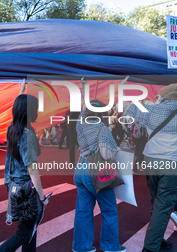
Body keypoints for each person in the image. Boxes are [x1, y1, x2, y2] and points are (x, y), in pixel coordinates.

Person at [123, 84, 177, 252]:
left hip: (150, 160)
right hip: (170, 163)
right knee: (164, 204)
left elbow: (129, 107)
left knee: (156, 201)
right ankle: (151, 247)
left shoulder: (151, 110)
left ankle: (157, 238)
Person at [0, 94, 48, 252]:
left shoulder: (13, 128)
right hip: (26, 188)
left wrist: (22, 90)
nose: (37, 111)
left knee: (30, 228)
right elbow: (32, 169)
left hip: (14, 184)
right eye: (35, 108)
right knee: (24, 231)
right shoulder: (27, 135)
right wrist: (42, 196)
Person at [73, 99, 126, 252]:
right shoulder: (102, 128)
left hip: (80, 169)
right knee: (109, 210)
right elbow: (106, 153)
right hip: (96, 171)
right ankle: (110, 246)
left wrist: (84, 90)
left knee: (83, 210)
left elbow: (83, 109)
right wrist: (115, 149)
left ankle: (81, 246)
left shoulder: (80, 123)